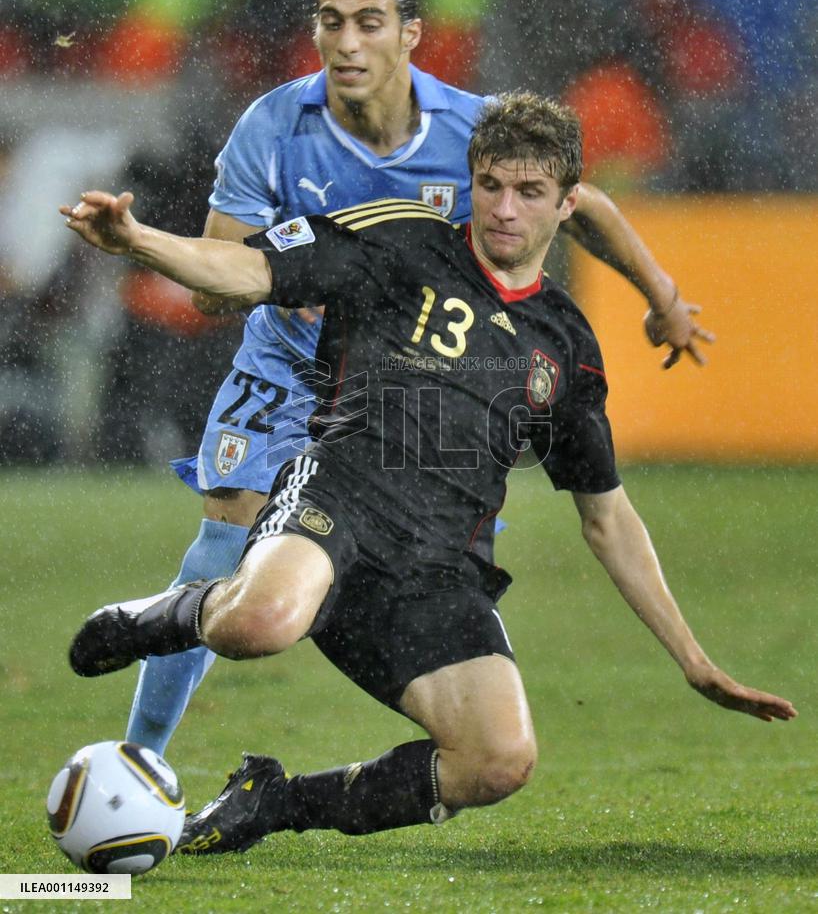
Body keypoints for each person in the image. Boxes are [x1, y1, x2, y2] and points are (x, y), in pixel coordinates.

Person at [63, 92, 794, 855]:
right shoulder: (400, 241)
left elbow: (606, 514)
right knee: (258, 624)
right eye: (490, 186)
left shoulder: (564, 346)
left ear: (568, 202)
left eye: (530, 193)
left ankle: (272, 804)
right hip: (337, 503)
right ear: (471, 179)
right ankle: (153, 620)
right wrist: (139, 241)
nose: (504, 209)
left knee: (499, 761)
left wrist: (695, 661)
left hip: (441, 571)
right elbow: (246, 271)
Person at [126, 0, 715, 759]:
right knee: (225, 538)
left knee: (422, 557)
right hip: (290, 363)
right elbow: (214, 281)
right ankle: (141, 759)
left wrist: (664, 297)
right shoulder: (272, 125)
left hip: (402, 376)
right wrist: (270, 282)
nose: (348, 43)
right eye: (332, 22)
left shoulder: (470, 126)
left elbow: (588, 206)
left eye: (370, 23)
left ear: (410, 36)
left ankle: (444, 687)